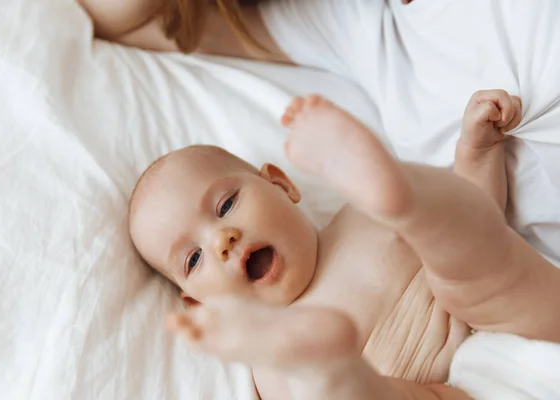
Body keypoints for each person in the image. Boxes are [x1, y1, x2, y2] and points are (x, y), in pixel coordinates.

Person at [127, 89, 560, 400]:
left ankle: (411, 197)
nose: (222, 240)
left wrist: (477, 153)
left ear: (282, 184)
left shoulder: (362, 213)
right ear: (199, 305)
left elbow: (482, 212)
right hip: (429, 391)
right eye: (195, 258)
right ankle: (335, 373)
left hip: (515, 324)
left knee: (476, 256)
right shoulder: (275, 361)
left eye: (225, 205)